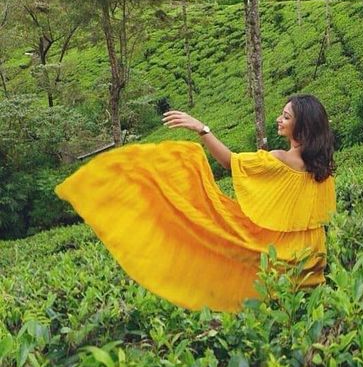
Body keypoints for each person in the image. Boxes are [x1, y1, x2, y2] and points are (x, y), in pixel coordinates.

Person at [55, 95, 336, 312]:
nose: (279, 119)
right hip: (311, 259)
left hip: (283, 259)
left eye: (285, 117)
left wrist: (201, 129)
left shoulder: (278, 159)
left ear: (302, 125)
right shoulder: (322, 169)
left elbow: (230, 162)